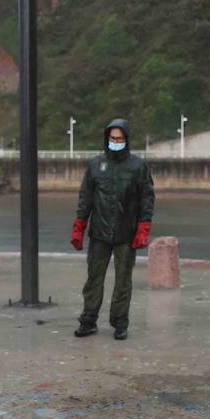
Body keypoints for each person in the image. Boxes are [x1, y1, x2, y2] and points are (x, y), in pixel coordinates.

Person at [70, 118, 155, 340]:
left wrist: (143, 228)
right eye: (112, 138)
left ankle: (119, 322)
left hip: (126, 233)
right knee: (94, 278)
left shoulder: (138, 166)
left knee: (123, 280)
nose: (115, 141)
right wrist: (79, 226)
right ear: (107, 139)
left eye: (119, 138)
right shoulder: (95, 165)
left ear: (126, 140)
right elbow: (85, 198)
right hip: (99, 232)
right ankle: (88, 320)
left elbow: (147, 198)